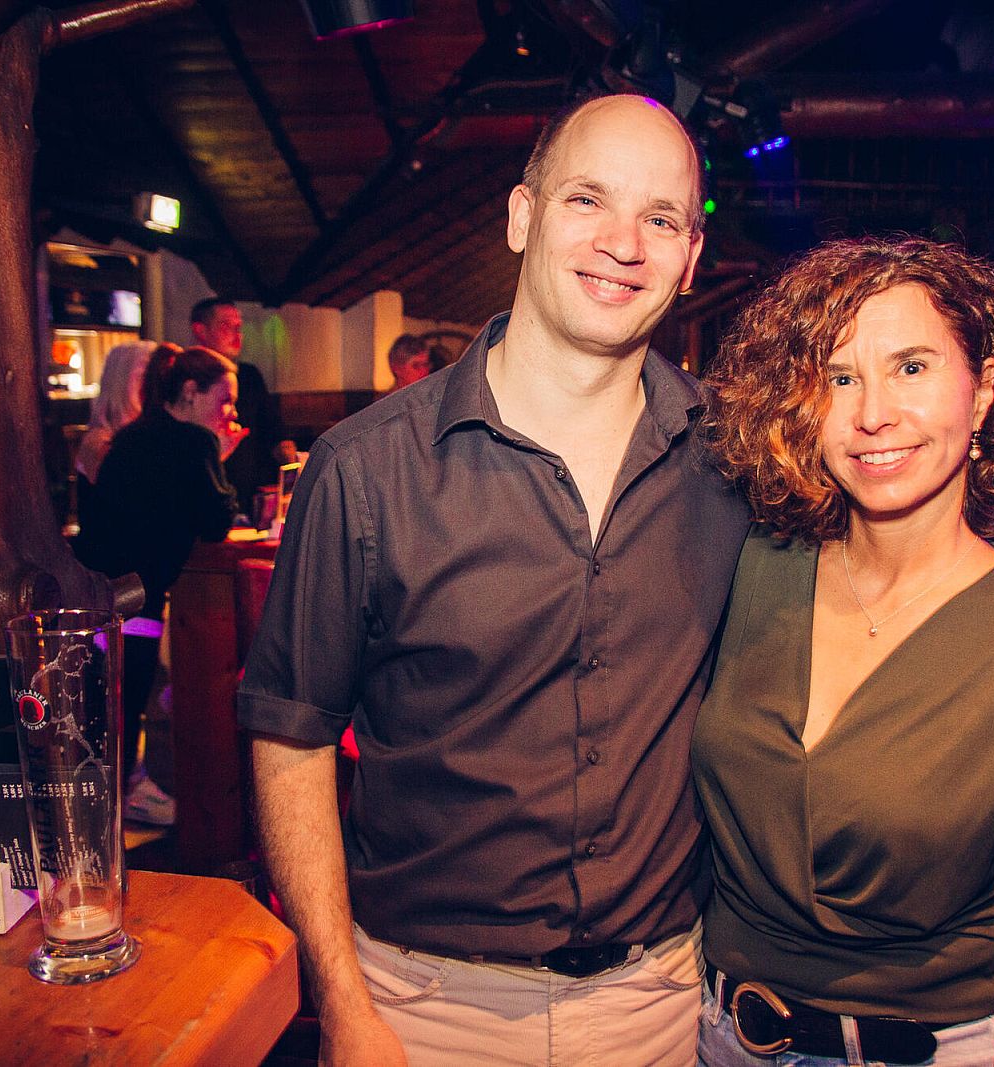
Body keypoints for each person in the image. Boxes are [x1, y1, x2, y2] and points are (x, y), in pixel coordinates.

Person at [239, 93, 750, 1067]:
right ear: (522, 215)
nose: (622, 244)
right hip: (424, 1010)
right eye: (586, 199)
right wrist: (340, 997)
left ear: (690, 258)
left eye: (660, 219)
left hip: (660, 1005)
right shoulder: (365, 470)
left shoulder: (736, 467)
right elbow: (290, 739)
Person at [695, 237, 994, 1067]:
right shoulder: (755, 569)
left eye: (913, 368)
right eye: (839, 378)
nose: (872, 414)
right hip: (717, 1040)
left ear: (985, 391)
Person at [75, 345, 244, 826]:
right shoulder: (194, 442)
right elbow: (217, 520)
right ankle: (111, 824)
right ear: (190, 391)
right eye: (224, 399)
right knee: (126, 710)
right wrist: (220, 454)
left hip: (96, 591)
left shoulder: (132, 436)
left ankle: (95, 818)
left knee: (102, 713)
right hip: (136, 600)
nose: (229, 412)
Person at [191, 296, 289, 511]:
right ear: (200, 330)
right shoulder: (187, 379)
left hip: (248, 495)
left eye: (238, 326)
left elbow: (272, 430)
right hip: (202, 496)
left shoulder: (250, 376)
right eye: (226, 325)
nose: (236, 333)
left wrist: (292, 462)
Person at [74, 340, 157, 484]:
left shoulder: (146, 431)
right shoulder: (100, 443)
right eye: (144, 377)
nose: (154, 387)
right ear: (120, 383)